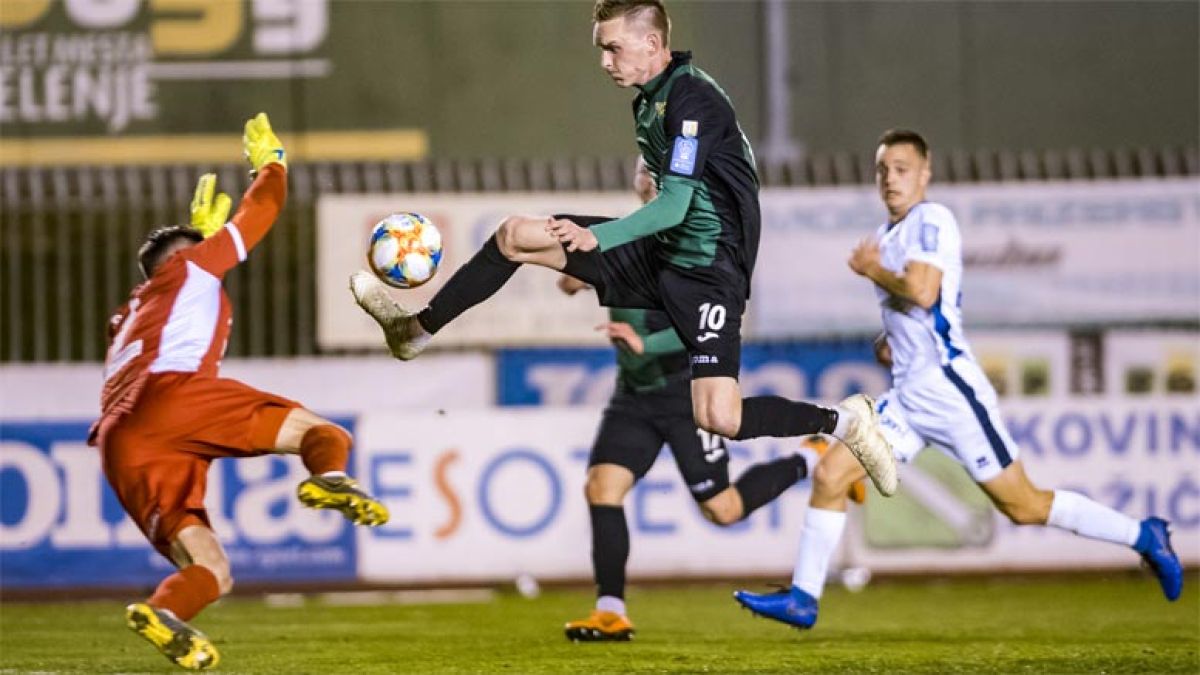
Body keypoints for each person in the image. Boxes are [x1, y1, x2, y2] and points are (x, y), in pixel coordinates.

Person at [349, 0, 897, 497]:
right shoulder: (650, 101)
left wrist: (598, 237)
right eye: (602, 49)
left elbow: (676, 204)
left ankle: (846, 423)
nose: (605, 61)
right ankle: (415, 331)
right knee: (515, 235)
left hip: (709, 273)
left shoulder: (691, 100)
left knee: (719, 417)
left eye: (613, 48)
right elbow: (668, 200)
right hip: (662, 253)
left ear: (652, 44)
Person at [733, 129, 1185, 630]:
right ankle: (803, 598)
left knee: (1024, 506)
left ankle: (1145, 536)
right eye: (883, 170)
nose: (890, 179)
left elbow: (924, 291)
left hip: (949, 392)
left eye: (902, 169)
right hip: (908, 399)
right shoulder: (888, 236)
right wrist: (891, 340)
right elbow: (922, 308)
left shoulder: (931, 219)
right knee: (830, 475)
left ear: (925, 174)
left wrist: (874, 271)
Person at [90, 113, 390, 671]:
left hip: (119, 440)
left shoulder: (130, 309)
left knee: (212, 569)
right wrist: (271, 165)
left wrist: (197, 240)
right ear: (183, 256)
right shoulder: (191, 269)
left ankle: (164, 612)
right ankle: (329, 478)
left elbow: (168, 291)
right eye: (202, 245)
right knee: (323, 433)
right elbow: (262, 210)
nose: (213, 249)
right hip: (173, 397)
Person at [560, 158, 809, 642]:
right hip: (633, 397)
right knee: (601, 488)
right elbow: (573, 276)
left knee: (724, 509)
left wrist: (646, 343)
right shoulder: (619, 236)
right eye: (642, 166)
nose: (648, 173)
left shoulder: (690, 244)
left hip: (685, 394)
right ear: (636, 180)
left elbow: (704, 324)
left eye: (656, 166)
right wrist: (577, 275)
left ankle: (809, 460)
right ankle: (610, 612)